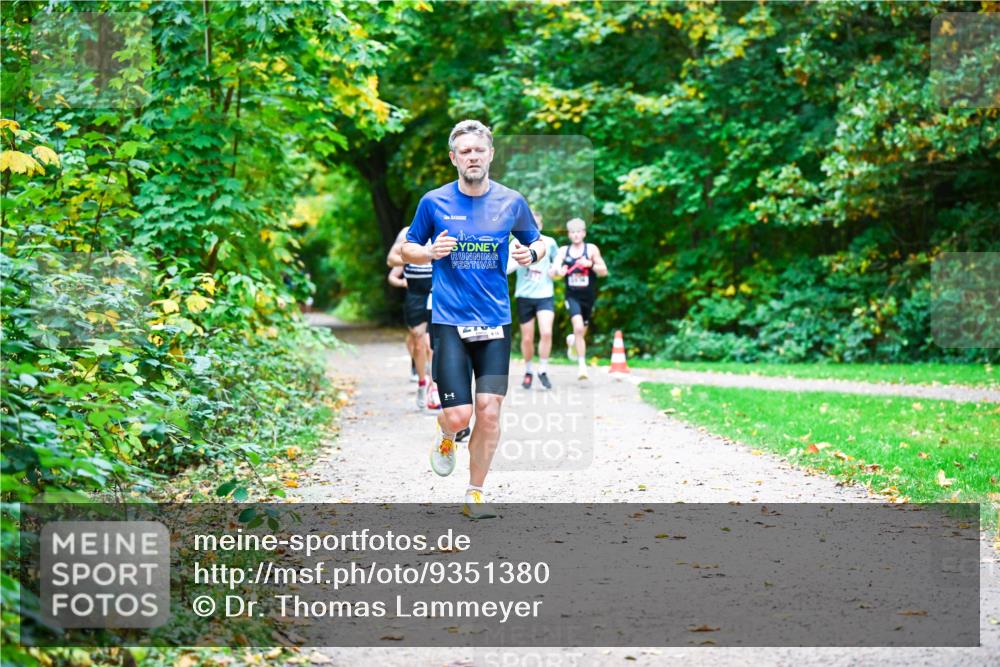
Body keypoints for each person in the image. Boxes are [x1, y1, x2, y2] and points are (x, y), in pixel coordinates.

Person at [401, 119, 546, 519]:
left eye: (479, 150)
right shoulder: (434, 202)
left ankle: (474, 493)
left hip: (495, 321)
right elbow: (407, 249)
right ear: (454, 158)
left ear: (491, 154)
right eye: (465, 151)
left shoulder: (511, 201)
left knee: (489, 410)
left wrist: (530, 254)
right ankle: (446, 432)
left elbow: (537, 242)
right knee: (459, 414)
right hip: (449, 321)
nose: (473, 157)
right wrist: (429, 253)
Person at [387, 228, 441, 410]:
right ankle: (422, 382)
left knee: (431, 343)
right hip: (415, 295)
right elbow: (391, 259)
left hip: (435, 292)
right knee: (418, 342)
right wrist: (416, 256)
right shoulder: (408, 233)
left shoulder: (442, 228)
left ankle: (434, 387)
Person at [506, 211, 559, 390]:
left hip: (545, 295)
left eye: (537, 224)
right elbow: (506, 268)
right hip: (524, 296)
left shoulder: (549, 242)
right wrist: (519, 261)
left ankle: (542, 370)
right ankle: (528, 370)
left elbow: (557, 264)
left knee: (546, 332)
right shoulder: (516, 242)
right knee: (527, 338)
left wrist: (556, 271)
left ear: (541, 226)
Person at [552, 217, 608, 380]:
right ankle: (582, 367)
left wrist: (590, 264)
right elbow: (554, 269)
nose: (576, 235)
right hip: (572, 296)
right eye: (573, 232)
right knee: (578, 328)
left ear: (584, 233)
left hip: (588, 297)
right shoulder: (564, 251)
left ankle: (572, 341)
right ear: (569, 234)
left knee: (580, 332)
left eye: (578, 232)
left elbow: (604, 271)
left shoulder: (591, 250)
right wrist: (559, 271)